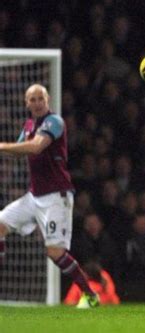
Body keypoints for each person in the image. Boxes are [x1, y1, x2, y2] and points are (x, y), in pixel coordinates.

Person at [0, 84, 99, 308]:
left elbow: (35, 147)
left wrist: (2, 146)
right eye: (32, 99)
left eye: (40, 99)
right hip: (34, 196)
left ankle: (90, 294)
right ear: (26, 103)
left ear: (48, 100)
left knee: (54, 252)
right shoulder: (27, 125)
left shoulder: (54, 122)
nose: (36, 103)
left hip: (56, 196)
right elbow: (17, 152)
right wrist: (7, 150)